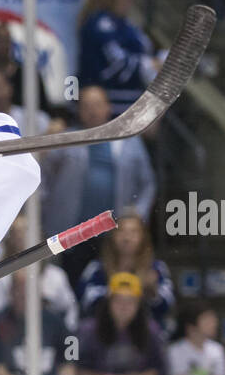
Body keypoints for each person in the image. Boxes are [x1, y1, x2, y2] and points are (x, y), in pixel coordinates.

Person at [39, 87, 155, 286]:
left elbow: (148, 182)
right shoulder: (66, 138)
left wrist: (138, 213)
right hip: (70, 229)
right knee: (69, 280)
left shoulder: (129, 140)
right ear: (79, 110)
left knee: (108, 280)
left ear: (108, 108)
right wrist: (44, 208)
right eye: (86, 106)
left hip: (113, 232)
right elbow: (43, 174)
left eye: (97, 105)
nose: (92, 111)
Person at [0, 268, 83, 375]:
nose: (24, 295)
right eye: (20, 289)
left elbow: (70, 360)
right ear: (11, 292)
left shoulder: (57, 322)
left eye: (29, 290)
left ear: (39, 291)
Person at [75, 272, 166, 375]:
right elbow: (71, 367)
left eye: (130, 301)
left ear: (139, 305)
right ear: (108, 303)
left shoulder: (152, 330)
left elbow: (161, 369)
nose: (124, 307)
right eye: (118, 300)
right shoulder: (84, 330)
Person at [75, 214, 174, 330]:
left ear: (143, 237)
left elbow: (167, 305)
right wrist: (117, 292)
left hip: (144, 334)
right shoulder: (97, 268)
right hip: (105, 333)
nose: (127, 238)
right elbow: (85, 302)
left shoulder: (157, 268)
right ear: (112, 236)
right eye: (121, 231)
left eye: (134, 232)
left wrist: (153, 293)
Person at [166, 300, 225, 375]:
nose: (213, 324)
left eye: (213, 320)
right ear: (191, 327)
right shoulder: (176, 351)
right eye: (207, 321)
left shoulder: (217, 350)